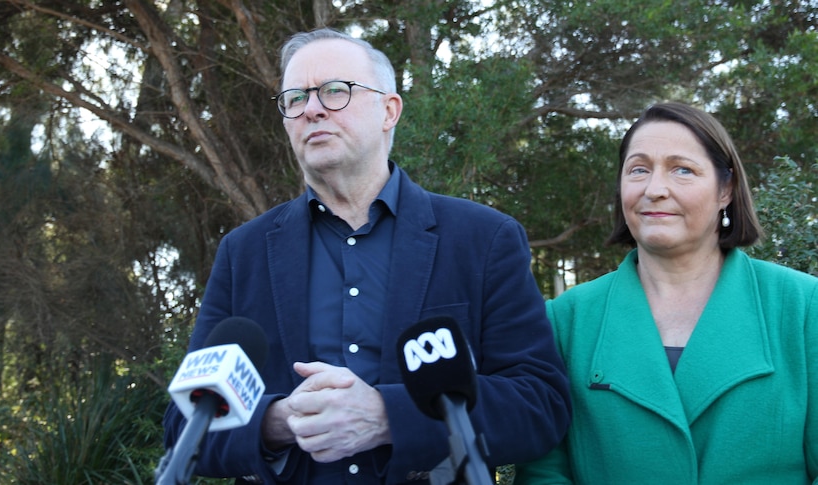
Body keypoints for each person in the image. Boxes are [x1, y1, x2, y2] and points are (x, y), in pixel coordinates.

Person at [163, 28, 572, 484]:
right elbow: (183, 425)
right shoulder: (245, 253)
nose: (312, 109)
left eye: (335, 91)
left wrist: (388, 416)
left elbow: (540, 405)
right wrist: (276, 422)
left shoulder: (483, 239)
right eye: (295, 98)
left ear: (389, 110)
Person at [515, 101, 818, 484]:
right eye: (638, 169)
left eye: (682, 170)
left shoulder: (804, 307)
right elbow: (543, 472)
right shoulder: (567, 319)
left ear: (726, 189)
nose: (655, 189)